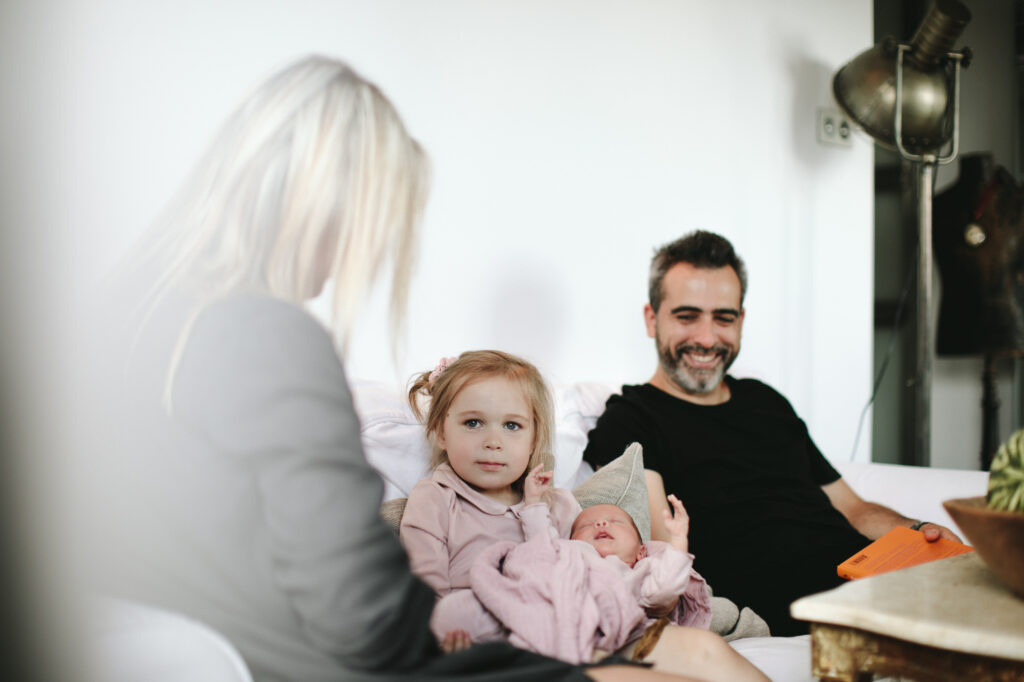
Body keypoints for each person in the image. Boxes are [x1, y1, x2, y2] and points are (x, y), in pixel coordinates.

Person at [86, 55, 698, 682]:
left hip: (247, 643)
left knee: (684, 657)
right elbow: (364, 608)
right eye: (377, 218)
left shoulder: (133, 317)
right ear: (325, 198)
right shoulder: (265, 336)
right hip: (316, 662)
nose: (371, 247)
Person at [583, 230, 962, 637]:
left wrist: (918, 532)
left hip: (874, 581)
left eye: (724, 318)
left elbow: (854, 509)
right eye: (687, 316)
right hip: (800, 611)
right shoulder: (630, 420)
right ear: (651, 319)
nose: (707, 338)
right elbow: (662, 549)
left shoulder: (765, 401)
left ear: (741, 321)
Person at [400, 351, 770, 681]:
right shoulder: (435, 498)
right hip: (499, 641)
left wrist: (664, 564)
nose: (493, 441)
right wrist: (443, 641)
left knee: (707, 651)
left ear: (534, 439)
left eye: (512, 426)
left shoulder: (559, 505)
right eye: (473, 423)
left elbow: (602, 568)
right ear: (441, 432)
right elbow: (421, 589)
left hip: (587, 629)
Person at [432, 467, 713, 665]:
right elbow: (540, 543)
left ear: (641, 552)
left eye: (616, 522)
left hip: (581, 619)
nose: (600, 523)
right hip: (532, 596)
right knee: (449, 613)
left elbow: (665, 589)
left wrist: (678, 541)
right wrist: (533, 500)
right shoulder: (566, 551)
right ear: (571, 539)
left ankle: (506, 653)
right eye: (586, 525)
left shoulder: (639, 572)